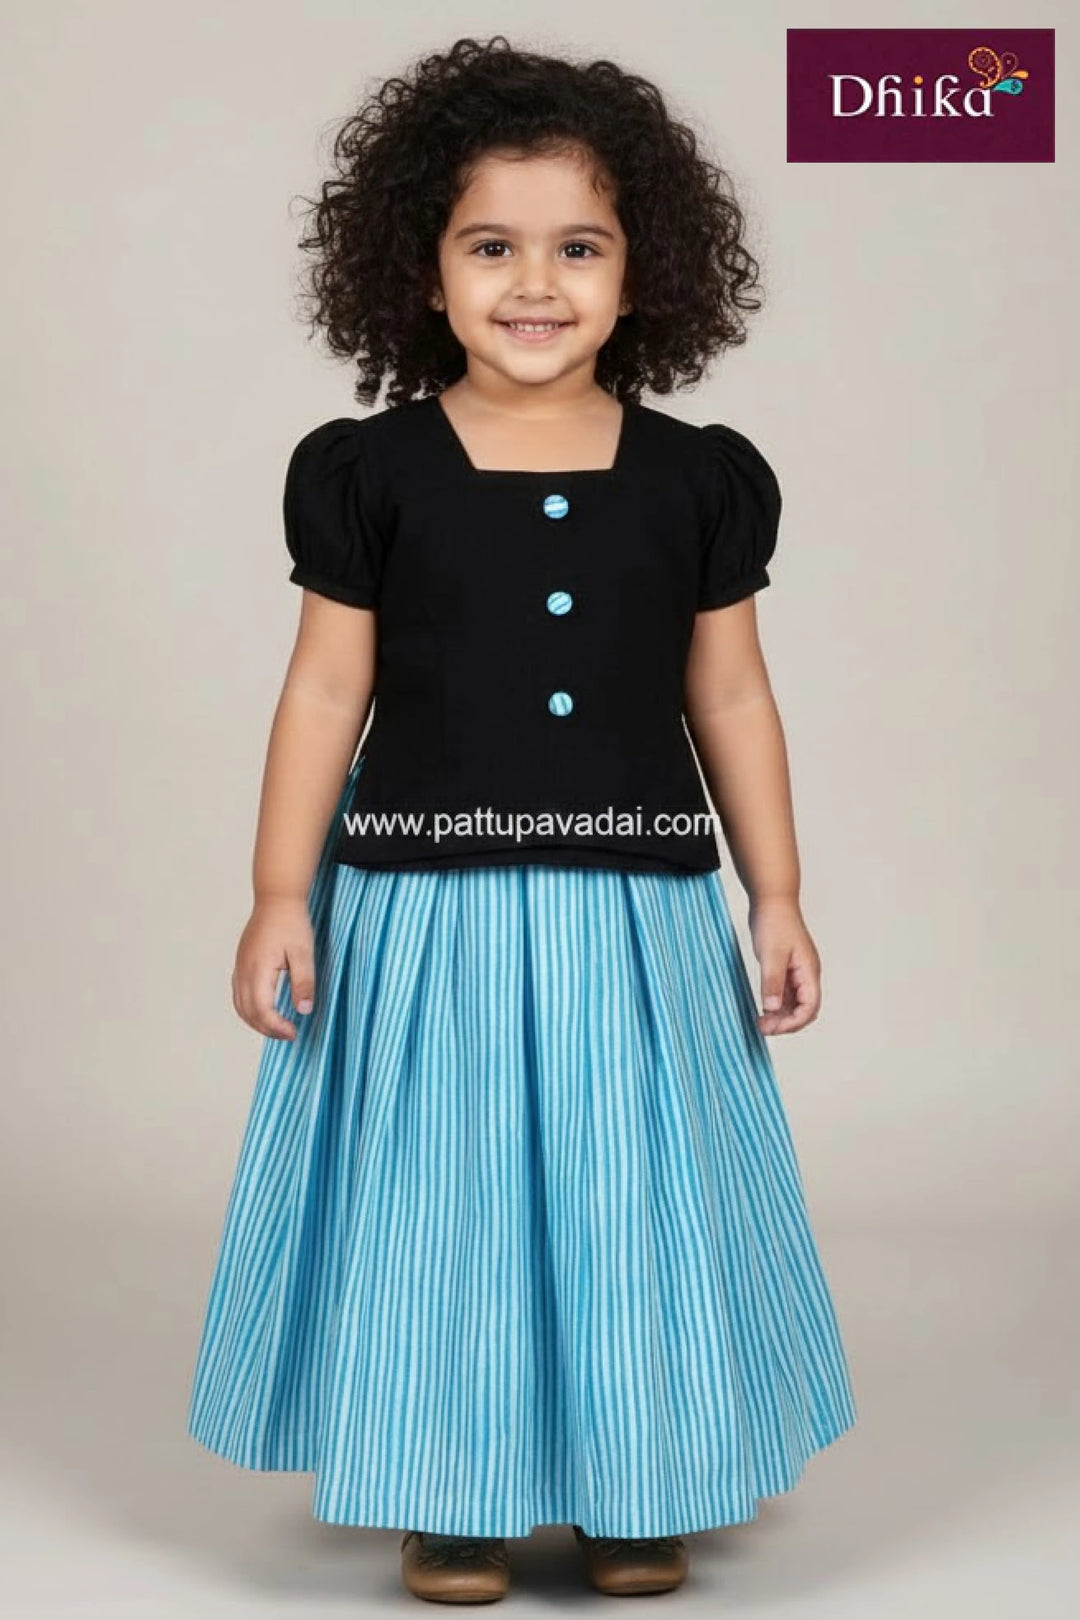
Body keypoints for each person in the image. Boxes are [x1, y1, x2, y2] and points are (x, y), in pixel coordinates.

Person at [187, 34, 858, 1606]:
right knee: (447, 1201)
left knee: (640, 1192)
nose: (534, 283)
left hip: (634, 913)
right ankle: (454, 1487)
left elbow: (735, 701)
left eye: (579, 247)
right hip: (428, 907)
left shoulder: (699, 481)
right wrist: (281, 893)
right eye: (492, 245)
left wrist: (779, 894)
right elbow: (319, 694)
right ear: (422, 268)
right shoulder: (369, 474)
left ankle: (639, 1485)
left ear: (647, 274)